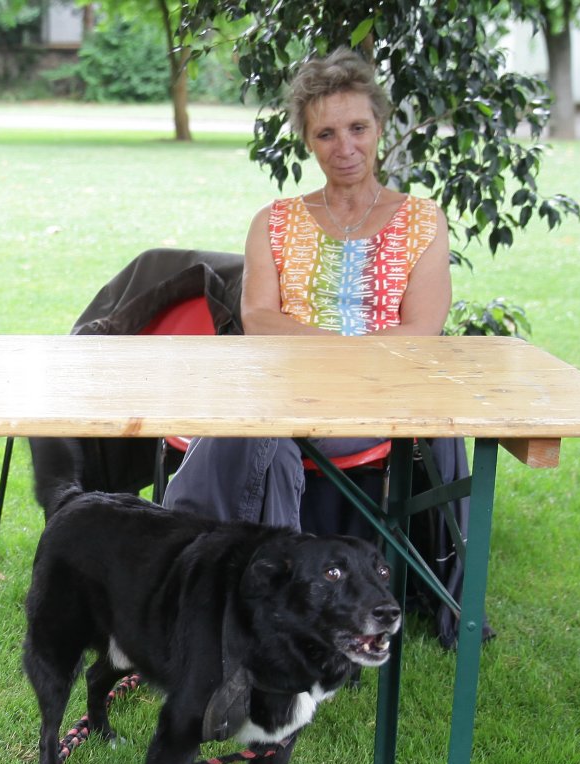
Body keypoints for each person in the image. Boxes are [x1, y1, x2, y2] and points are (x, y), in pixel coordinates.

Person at [160, 48, 452, 529]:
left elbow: (421, 332)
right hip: (281, 390)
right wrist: (338, 353)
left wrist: (328, 359)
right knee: (267, 439)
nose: (345, 147)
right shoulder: (274, 221)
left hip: (375, 396)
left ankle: (180, 542)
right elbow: (259, 319)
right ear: (308, 142)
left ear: (379, 127)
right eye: (326, 134)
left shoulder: (423, 220)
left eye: (357, 128)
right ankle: (273, 570)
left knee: (252, 422)